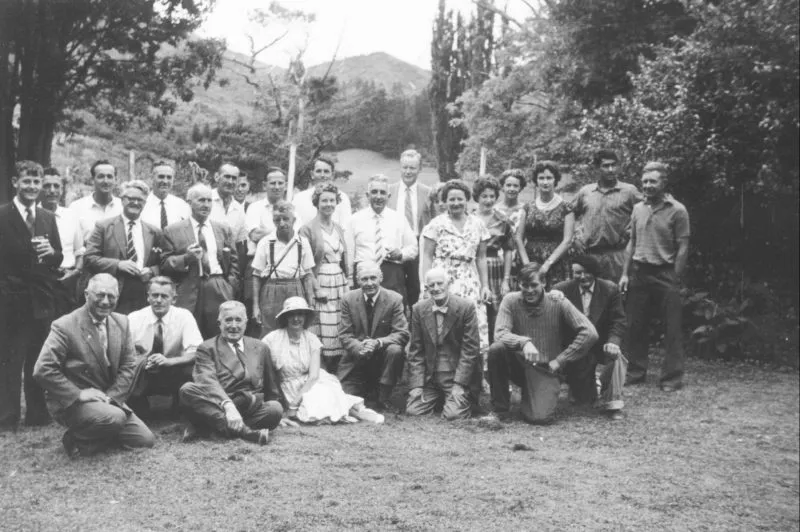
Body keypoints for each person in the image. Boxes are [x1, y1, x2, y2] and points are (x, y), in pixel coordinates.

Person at [33, 273, 155, 457]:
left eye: (111, 296)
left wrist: (111, 398)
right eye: (100, 295)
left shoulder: (122, 322)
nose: (105, 302)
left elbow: (129, 366)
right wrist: (79, 394)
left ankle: (93, 436)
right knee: (116, 417)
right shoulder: (65, 326)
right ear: (86, 295)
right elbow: (43, 369)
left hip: (107, 398)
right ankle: (76, 437)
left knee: (144, 440)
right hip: (73, 402)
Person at [487, 263, 598, 424]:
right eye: (524, 285)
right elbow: (499, 334)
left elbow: (590, 332)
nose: (529, 290)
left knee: (539, 418)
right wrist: (524, 343)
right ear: (519, 284)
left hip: (545, 369)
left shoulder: (557, 301)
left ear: (544, 283)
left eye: (534, 285)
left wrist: (561, 360)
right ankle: (500, 409)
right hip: (520, 364)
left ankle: (533, 396)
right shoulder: (510, 300)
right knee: (496, 349)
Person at [0, 161, 64, 429]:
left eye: (36, 182)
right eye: (27, 181)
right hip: (10, 299)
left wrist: (51, 254)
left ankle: (38, 414)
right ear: (15, 182)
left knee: (39, 358)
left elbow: (58, 256)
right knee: (11, 359)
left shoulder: (47, 218)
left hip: (41, 300)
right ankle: (7, 417)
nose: (32, 187)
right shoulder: (2, 216)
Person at [620, 162, 690, 391]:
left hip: (665, 273)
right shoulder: (638, 208)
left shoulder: (677, 210)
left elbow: (683, 246)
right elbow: (631, 242)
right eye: (645, 182)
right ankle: (636, 372)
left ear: (663, 183)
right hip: (640, 273)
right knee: (635, 326)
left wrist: (675, 276)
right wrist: (625, 274)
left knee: (672, 327)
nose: (648, 186)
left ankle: (672, 377)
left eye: (653, 181)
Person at [262, 297, 384, 425]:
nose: (296, 318)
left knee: (325, 392)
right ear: (285, 317)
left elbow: (313, 376)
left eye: (300, 314)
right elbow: (263, 367)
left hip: (310, 382)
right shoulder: (272, 339)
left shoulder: (311, 339)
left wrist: (293, 405)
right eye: (291, 314)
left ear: (305, 317)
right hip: (288, 386)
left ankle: (355, 411)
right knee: (314, 405)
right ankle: (350, 411)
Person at [179, 301, 283, 445]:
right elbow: (207, 381)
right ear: (219, 323)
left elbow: (271, 386)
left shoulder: (260, 347)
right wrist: (228, 405)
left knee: (275, 409)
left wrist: (280, 414)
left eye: (238, 320)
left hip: (250, 406)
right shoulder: (207, 348)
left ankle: (212, 426)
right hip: (218, 404)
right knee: (188, 390)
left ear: (246, 323)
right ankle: (246, 432)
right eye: (228, 320)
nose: (233, 326)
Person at [160, 183, 239, 339]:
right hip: (188, 287)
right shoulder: (173, 230)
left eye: (209, 201)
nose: (206, 205)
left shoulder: (223, 229)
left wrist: (229, 285)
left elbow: (234, 262)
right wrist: (186, 258)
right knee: (188, 333)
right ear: (189, 202)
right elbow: (164, 264)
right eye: (201, 200)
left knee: (218, 333)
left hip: (217, 286)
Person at [553, 255, 628, 420]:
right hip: (576, 345)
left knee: (617, 357)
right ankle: (584, 384)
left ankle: (613, 403)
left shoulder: (610, 289)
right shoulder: (562, 289)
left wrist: (613, 342)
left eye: (586, 272)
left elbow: (618, 320)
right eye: (577, 273)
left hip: (601, 343)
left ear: (595, 272)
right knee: (583, 400)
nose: (582, 277)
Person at [420, 179, 491, 349]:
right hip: (442, 279)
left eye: (460, 199)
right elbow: (427, 257)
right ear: (445, 201)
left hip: (469, 279)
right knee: (443, 324)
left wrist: (485, 286)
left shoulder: (478, 224)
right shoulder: (436, 224)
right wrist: (426, 285)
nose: (456, 203)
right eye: (451, 199)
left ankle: (475, 368)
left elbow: (481, 258)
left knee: (472, 321)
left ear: (467, 200)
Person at [406, 269, 480, 420]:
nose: (436, 288)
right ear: (426, 288)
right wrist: (417, 385)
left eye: (440, 283)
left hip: (455, 374)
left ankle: (460, 398)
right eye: (431, 285)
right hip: (431, 376)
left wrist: (459, 384)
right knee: (413, 411)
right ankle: (441, 398)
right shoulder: (419, 309)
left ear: (448, 284)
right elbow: (416, 350)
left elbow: (470, 350)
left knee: (454, 415)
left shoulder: (466, 307)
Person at [338, 262, 409, 412]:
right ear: (358, 280)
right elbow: (345, 335)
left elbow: (402, 333)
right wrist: (360, 347)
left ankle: (383, 396)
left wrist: (378, 342)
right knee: (346, 399)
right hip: (357, 358)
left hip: (382, 358)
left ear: (380, 278)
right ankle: (366, 391)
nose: (369, 283)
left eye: (373, 278)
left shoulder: (394, 299)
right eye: (364, 279)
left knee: (396, 350)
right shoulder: (348, 299)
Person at [127, 276, 203, 416]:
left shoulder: (184, 316)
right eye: (155, 295)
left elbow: (196, 351)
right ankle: (138, 403)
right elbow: (123, 354)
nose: (159, 300)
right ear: (148, 297)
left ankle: (181, 404)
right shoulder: (134, 318)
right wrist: (144, 360)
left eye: (164, 296)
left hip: (173, 370)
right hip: (144, 371)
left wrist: (168, 361)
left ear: (173, 299)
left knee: (195, 367)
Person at [83, 180, 162, 314]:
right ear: (122, 200)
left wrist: (152, 271)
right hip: (114, 289)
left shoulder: (153, 231)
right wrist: (118, 265)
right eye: (131, 198)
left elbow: (162, 262)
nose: (135, 203)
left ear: (145, 203)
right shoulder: (104, 226)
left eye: (140, 200)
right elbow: (89, 258)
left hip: (143, 290)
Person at [298, 183, 351, 374]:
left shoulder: (338, 227)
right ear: (316, 203)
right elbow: (305, 264)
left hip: (339, 281)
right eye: (324, 200)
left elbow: (345, 258)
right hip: (320, 281)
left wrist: (348, 281)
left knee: (339, 324)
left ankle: (338, 374)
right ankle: (322, 372)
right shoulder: (307, 229)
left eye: (332, 200)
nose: (328, 204)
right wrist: (314, 288)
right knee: (322, 328)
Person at [244, 168, 302, 335]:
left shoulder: (294, 210)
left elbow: (295, 236)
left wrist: (269, 231)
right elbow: (255, 235)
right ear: (265, 185)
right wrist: (282, 229)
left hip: (287, 269)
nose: (276, 186)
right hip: (258, 267)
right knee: (259, 316)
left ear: (285, 185)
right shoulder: (255, 208)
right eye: (272, 183)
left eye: (280, 183)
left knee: (288, 317)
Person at [572, 149, 643, 282]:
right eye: (605, 166)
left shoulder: (629, 191)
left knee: (618, 296)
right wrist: (575, 235)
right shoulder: (586, 192)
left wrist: (631, 231)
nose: (611, 170)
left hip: (619, 255)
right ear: (597, 168)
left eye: (614, 165)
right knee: (591, 295)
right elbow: (569, 214)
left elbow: (645, 213)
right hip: (590, 255)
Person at [349, 174, 417, 303]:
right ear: (367, 195)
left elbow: (413, 248)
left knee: (392, 313)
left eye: (382, 192)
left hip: (391, 273)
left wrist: (401, 254)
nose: (378, 196)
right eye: (374, 192)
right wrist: (349, 280)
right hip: (364, 274)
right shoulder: (355, 220)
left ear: (388, 196)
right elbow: (349, 253)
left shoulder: (399, 219)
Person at [252, 201, 315, 337]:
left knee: (297, 329)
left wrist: (310, 302)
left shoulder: (302, 242)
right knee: (270, 330)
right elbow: (256, 275)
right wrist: (255, 306)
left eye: (286, 219)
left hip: (296, 288)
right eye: (277, 220)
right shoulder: (266, 242)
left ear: (294, 220)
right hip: (271, 290)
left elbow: (308, 275)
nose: (281, 223)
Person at [515, 160, 576, 286]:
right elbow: (519, 238)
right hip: (530, 261)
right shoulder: (528, 207)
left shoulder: (566, 208)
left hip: (556, 263)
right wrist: (527, 265)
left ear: (556, 180)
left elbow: (567, 240)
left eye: (549, 178)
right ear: (536, 181)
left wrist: (547, 264)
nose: (545, 182)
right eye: (541, 178)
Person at [472, 176, 514, 344]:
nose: (488, 200)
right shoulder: (470, 218)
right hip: (474, 266)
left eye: (492, 196)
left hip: (495, 267)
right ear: (477, 197)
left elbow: (509, 250)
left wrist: (506, 279)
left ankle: (495, 347)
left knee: (494, 311)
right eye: (484, 196)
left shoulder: (503, 220)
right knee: (475, 308)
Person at [388, 149, 432, 305]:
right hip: (394, 245)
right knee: (394, 290)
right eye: (405, 167)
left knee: (416, 288)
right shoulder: (388, 191)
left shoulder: (428, 193)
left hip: (419, 245)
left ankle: (416, 324)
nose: (408, 171)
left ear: (419, 169)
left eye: (412, 168)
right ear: (400, 167)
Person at [39, 168, 83, 301]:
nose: (52, 190)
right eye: (46, 186)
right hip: (40, 282)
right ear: (39, 188)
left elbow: (79, 250)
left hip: (67, 281)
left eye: (56, 186)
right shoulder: (31, 216)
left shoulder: (71, 215)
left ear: (62, 189)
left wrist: (76, 272)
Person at [292, 156, 353, 239]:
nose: (322, 175)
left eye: (326, 171)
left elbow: (345, 228)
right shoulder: (299, 198)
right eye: (318, 171)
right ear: (312, 174)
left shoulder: (343, 198)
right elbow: (295, 228)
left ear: (332, 175)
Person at [68, 159, 123, 247]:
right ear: (92, 179)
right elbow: (71, 241)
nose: (105, 181)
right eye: (101, 176)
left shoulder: (122, 207)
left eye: (109, 177)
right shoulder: (76, 207)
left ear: (115, 180)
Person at [140, 161, 191, 230]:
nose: (165, 181)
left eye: (169, 177)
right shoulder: (142, 204)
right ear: (152, 178)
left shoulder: (182, 205)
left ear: (173, 180)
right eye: (161, 177)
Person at [210, 162, 248, 245]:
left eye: (234, 178)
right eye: (227, 177)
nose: (230, 182)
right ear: (216, 177)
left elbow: (240, 243)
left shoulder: (239, 209)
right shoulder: (206, 200)